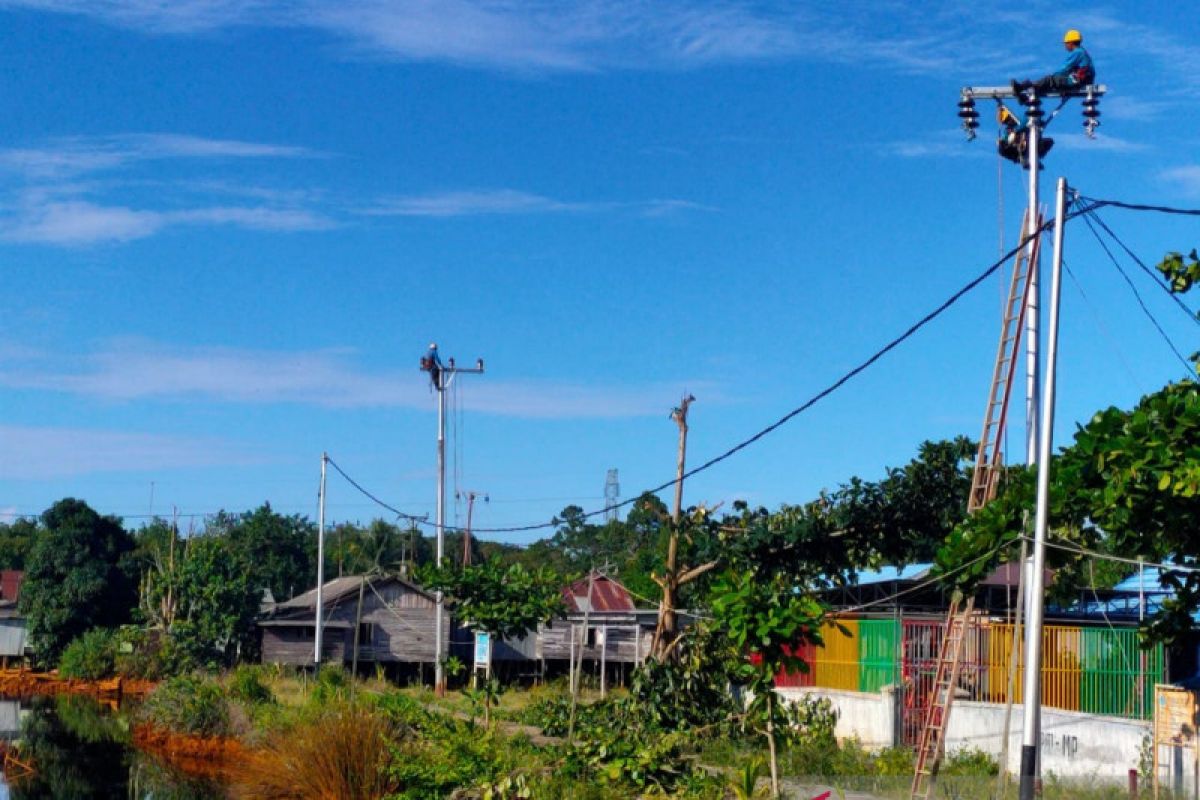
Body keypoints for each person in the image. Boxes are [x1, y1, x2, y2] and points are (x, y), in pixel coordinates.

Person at [1011, 29, 1095, 99]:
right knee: (1050, 83)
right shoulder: (1083, 53)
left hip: (1077, 82)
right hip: (1081, 81)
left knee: (1049, 80)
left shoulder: (1078, 53)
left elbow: (1065, 69)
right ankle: (1027, 94)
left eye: (1066, 43)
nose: (1065, 45)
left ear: (1071, 43)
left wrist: (1055, 76)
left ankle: (1022, 87)